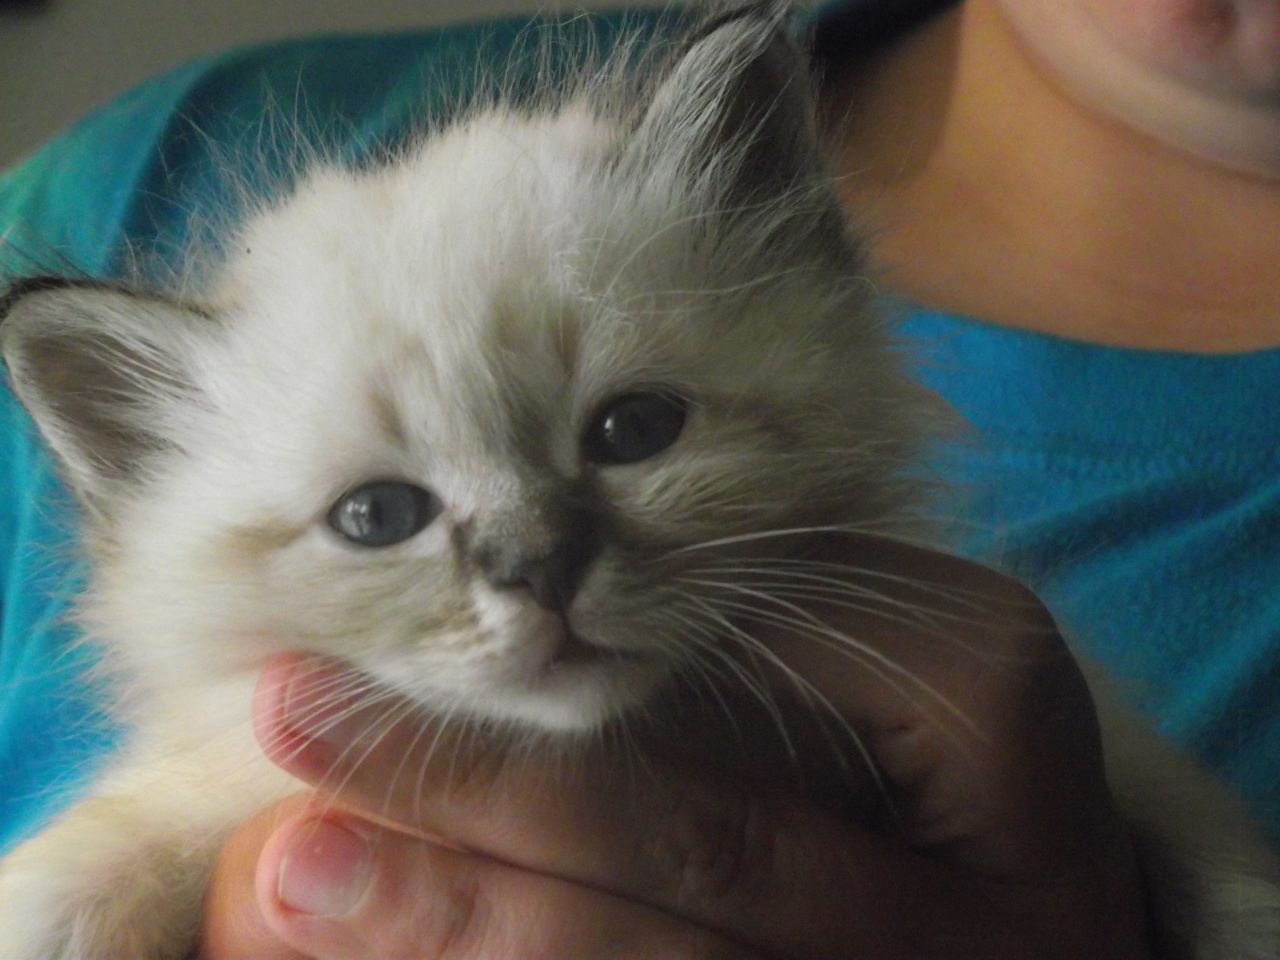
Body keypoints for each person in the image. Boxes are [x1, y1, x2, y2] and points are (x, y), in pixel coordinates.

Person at [0, 0, 1275, 956]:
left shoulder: (1019, 713)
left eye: (631, 428)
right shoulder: (131, 170)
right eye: (377, 516)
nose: (532, 564)